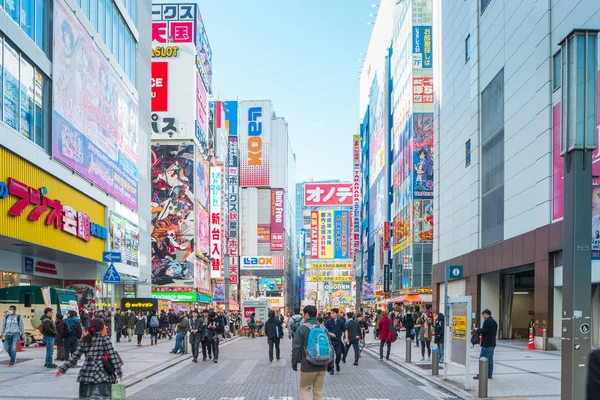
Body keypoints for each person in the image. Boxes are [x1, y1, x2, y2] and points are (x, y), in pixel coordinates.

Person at [56, 318, 122, 399]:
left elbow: (75, 357)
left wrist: (62, 369)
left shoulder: (85, 340)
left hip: (86, 376)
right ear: (102, 328)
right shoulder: (105, 339)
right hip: (103, 376)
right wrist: (119, 372)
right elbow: (113, 357)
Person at [292, 305, 331, 400]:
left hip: (308, 365)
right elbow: (330, 347)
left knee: (304, 389)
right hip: (323, 365)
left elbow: (296, 347)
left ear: (307, 314)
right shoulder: (323, 328)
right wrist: (331, 364)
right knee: (318, 392)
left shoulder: (302, 328)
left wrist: (294, 362)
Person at [473, 309, 498, 380]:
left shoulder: (487, 321)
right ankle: (489, 374)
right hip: (492, 343)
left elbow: (484, 331)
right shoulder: (494, 322)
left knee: (482, 359)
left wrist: (477, 330)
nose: (483, 316)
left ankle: (481, 374)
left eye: (483, 315)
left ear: (486, 314)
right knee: (490, 359)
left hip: (486, 344)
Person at [324, 307, 346, 374]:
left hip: (338, 341)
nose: (331, 314)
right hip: (330, 341)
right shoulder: (328, 322)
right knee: (331, 355)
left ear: (337, 314)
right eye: (331, 313)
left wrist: (346, 338)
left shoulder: (341, 322)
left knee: (339, 354)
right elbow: (324, 330)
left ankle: (337, 364)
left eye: (333, 313)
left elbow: (345, 329)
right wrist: (330, 333)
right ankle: (331, 368)